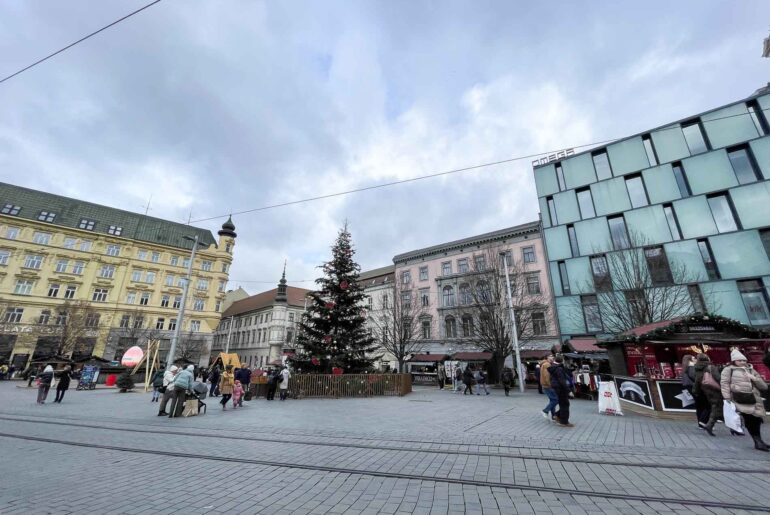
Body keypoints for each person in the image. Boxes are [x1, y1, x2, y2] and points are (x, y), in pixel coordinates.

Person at [721, 349, 768, 451]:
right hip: (740, 399)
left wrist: (753, 378)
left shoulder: (751, 369)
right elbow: (724, 384)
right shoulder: (729, 370)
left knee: (757, 419)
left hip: (754, 398)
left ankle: (759, 440)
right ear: (734, 361)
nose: (743, 362)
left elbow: (764, 386)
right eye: (740, 360)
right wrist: (727, 397)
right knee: (750, 419)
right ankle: (757, 441)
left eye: (744, 360)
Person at [692, 354, 722, 436]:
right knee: (715, 407)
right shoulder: (711, 367)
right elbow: (718, 378)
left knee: (710, 406)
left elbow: (697, 381)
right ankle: (709, 424)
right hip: (715, 389)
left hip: (704, 390)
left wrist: (696, 391)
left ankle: (705, 422)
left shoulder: (697, 368)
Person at [681, 354, 708, 429]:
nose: (695, 359)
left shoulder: (685, 368)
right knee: (705, 405)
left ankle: (701, 423)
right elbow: (696, 378)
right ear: (690, 360)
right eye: (693, 358)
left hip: (690, 388)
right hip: (696, 388)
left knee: (699, 406)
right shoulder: (692, 367)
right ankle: (703, 422)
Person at [550, 355, 573, 427]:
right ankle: (564, 421)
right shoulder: (558, 368)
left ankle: (557, 415)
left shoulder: (554, 367)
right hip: (561, 388)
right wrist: (569, 391)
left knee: (563, 404)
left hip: (557, 388)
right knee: (565, 404)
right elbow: (562, 380)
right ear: (562, 360)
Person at [540, 355, 558, 420]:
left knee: (552, 400)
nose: (552, 357)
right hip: (548, 385)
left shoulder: (546, 364)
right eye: (551, 356)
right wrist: (550, 384)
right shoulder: (547, 364)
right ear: (547, 357)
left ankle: (553, 416)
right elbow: (547, 376)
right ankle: (545, 410)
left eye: (553, 356)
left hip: (546, 385)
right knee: (556, 399)